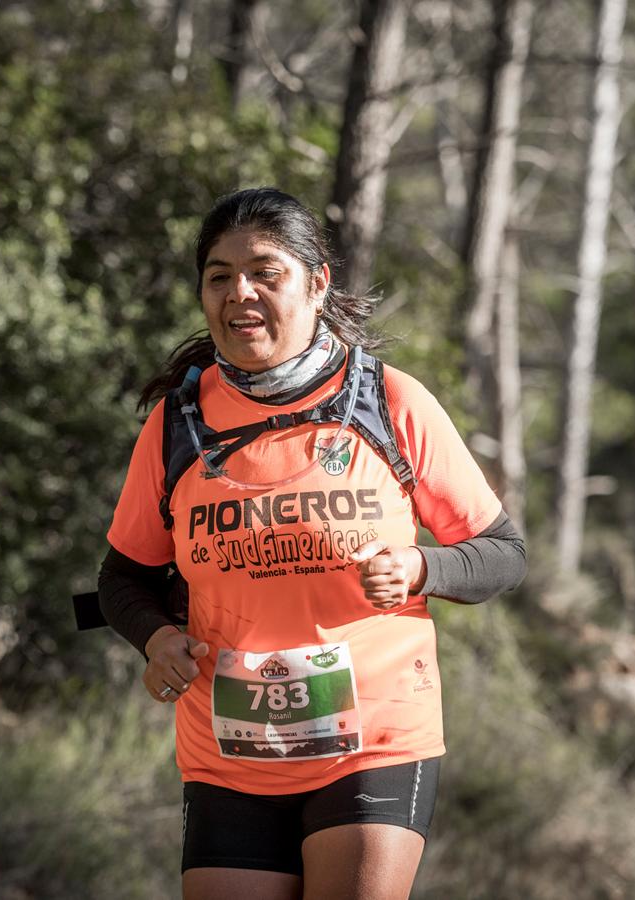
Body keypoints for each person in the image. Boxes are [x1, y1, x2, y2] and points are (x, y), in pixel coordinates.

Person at [98, 187, 526, 900]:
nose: (241, 292)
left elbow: (503, 553)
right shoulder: (177, 426)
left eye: (267, 272)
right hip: (230, 749)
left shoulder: (391, 404)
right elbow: (122, 578)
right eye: (220, 276)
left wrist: (425, 567)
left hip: (375, 741)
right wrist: (156, 638)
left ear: (317, 283)